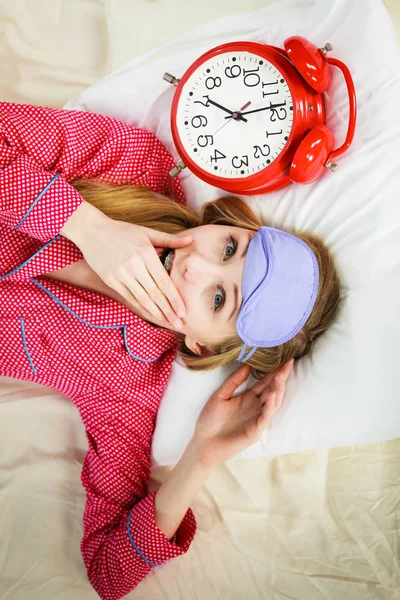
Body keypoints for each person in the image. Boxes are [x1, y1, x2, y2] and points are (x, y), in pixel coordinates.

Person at [0, 102, 340, 600]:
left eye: (219, 298)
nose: (195, 267)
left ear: (201, 343)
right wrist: (86, 224)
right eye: (229, 248)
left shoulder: (127, 388)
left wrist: (199, 460)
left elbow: (107, 574)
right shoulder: (134, 164)